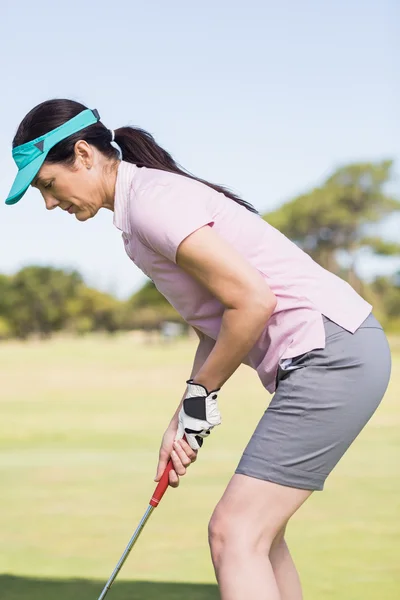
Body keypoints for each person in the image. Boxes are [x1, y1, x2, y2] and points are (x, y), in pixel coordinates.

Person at [6, 99, 392, 600]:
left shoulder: (152, 204)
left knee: (233, 535)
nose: (50, 204)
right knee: (261, 539)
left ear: (82, 154)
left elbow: (253, 302)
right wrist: (185, 414)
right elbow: (216, 324)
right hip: (335, 352)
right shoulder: (138, 214)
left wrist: (200, 395)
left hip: (331, 353)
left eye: (49, 186)